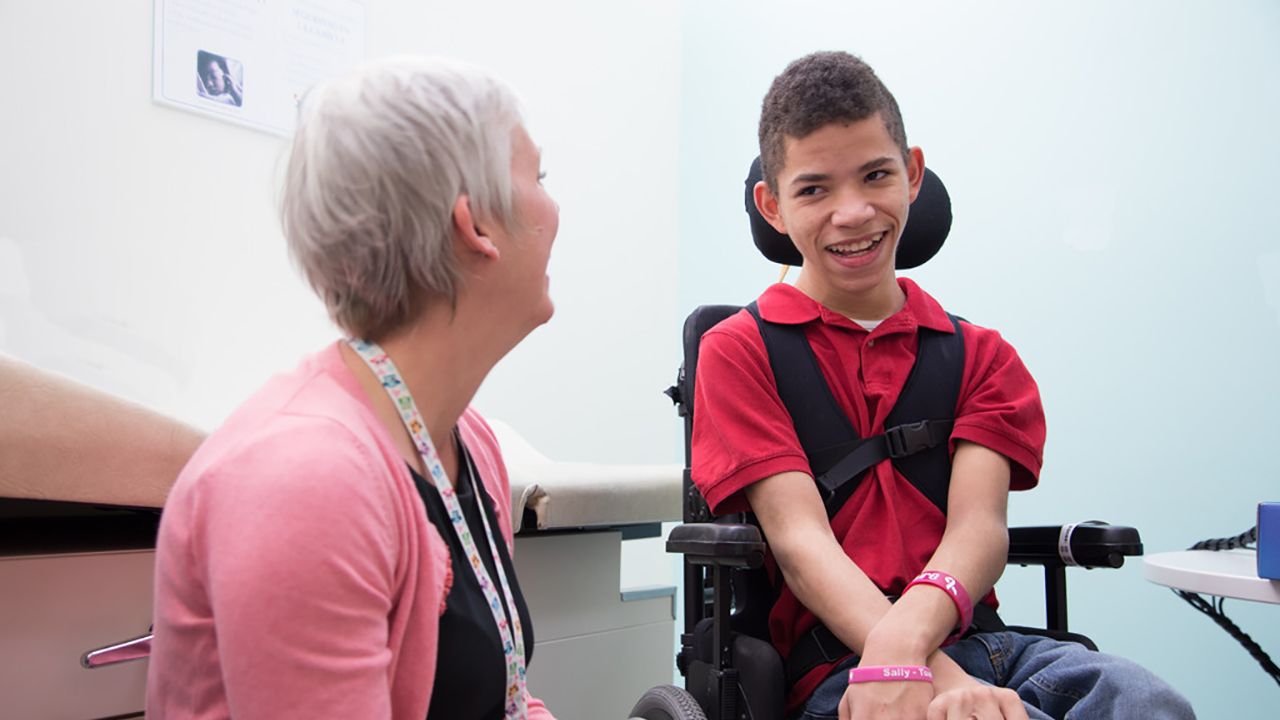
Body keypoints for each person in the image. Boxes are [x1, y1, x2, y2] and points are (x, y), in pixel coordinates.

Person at [690, 51, 1195, 720]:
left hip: (987, 643)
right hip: (842, 663)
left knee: (1150, 701)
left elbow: (979, 529)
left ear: (913, 175)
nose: (852, 212)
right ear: (773, 206)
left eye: (876, 175)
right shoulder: (738, 351)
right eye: (814, 189)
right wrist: (916, 667)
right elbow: (801, 544)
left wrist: (924, 647)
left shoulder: (982, 356)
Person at [147, 56, 559, 720]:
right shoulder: (307, 481)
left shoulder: (466, 441)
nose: (557, 208)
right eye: (539, 176)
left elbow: (506, 701)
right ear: (476, 224)